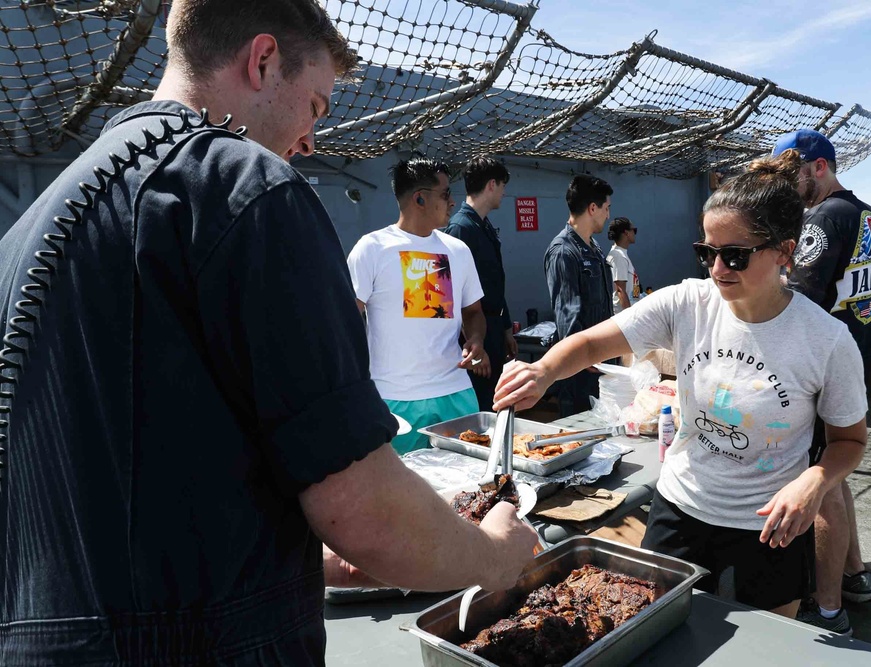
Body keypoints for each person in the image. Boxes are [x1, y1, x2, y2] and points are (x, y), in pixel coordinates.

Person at [0, 2, 537, 664]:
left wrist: (300, 544)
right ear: (261, 61)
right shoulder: (248, 188)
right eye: (314, 105)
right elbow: (363, 514)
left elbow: (147, 481)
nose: (311, 139)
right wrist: (496, 554)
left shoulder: (25, 238)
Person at [496, 151, 868, 619]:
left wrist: (815, 481)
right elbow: (591, 343)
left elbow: (849, 441)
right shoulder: (687, 302)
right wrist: (543, 370)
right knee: (658, 625)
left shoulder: (826, 340)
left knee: (768, 643)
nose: (717, 269)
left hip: (770, 521)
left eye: (735, 255)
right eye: (707, 252)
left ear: (784, 252)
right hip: (681, 506)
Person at [772, 128, 871, 634]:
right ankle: (856, 575)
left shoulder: (823, 218)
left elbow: (797, 300)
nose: (788, 185)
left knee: (818, 484)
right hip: (860, 361)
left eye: (791, 172)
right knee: (838, 473)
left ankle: (827, 607)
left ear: (817, 167)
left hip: (824, 371)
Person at [349, 156, 491, 454]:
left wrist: (476, 339)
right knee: (401, 493)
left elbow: (473, 311)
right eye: (445, 194)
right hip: (394, 398)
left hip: (455, 392)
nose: (453, 202)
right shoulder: (372, 249)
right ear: (420, 199)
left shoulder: (458, 250)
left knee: (466, 484)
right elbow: (345, 320)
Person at [443, 156, 518, 411]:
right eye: (502, 186)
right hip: (477, 335)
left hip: (494, 328)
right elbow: (454, 297)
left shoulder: (482, 227)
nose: (504, 193)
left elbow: (495, 284)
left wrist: (506, 329)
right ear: (491, 185)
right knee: (482, 407)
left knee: (496, 402)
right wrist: (476, 345)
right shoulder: (461, 229)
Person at [544, 174, 615, 416]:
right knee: (583, 440)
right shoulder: (564, 251)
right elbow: (568, 317)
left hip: (599, 363)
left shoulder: (592, 248)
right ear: (592, 208)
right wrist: (587, 359)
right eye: (606, 208)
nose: (608, 215)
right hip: (581, 371)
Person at [606, 216, 640, 314]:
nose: (635, 233)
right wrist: (629, 317)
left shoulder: (622, 254)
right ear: (626, 232)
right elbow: (620, 290)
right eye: (634, 230)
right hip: (622, 316)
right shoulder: (618, 256)